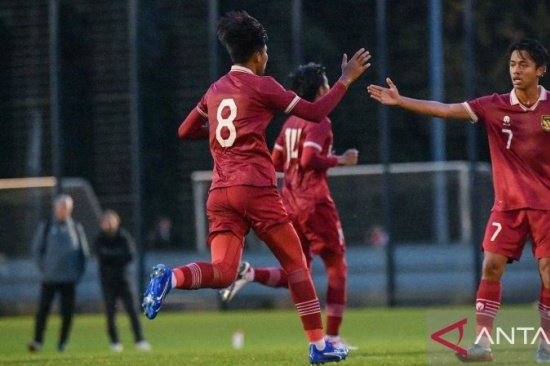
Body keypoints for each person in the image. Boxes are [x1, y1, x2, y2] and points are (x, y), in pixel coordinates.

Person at [367, 38, 550, 363]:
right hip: (507, 206)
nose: (516, 70)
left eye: (523, 64)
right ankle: (482, 344)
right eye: (512, 64)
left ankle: (546, 346)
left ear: (541, 70)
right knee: (490, 266)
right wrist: (402, 101)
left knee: (549, 272)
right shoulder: (493, 105)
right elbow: (445, 110)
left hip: (548, 205)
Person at [141, 10, 370, 364]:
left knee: (223, 273)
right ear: (259, 55)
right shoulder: (264, 86)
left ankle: (172, 277)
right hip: (255, 188)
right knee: (297, 264)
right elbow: (314, 111)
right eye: (267, 53)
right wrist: (345, 80)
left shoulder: (214, 90)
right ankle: (319, 344)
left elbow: (185, 131)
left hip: (220, 193)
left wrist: (220, 134)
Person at [218, 62, 359, 350]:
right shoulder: (320, 121)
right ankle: (331, 337)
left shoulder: (291, 122)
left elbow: (276, 161)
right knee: (337, 268)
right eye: (327, 83)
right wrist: (340, 159)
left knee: (298, 271)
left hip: (290, 204)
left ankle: (250, 273)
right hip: (314, 202)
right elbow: (309, 159)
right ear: (321, 88)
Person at [28, 194, 90, 352]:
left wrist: (78, 273)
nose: (64, 210)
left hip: (69, 279)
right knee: (43, 311)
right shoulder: (47, 226)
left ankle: (62, 343)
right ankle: (37, 341)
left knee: (67, 313)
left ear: (71, 209)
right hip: (49, 278)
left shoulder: (76, 227)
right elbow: (36, 251)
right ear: (55, 208)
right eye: (61, 206)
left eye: (67, 207)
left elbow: (84, 253)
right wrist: (44, 269)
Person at [95, 210, 151, 352]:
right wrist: (117, 257)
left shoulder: (123, 237)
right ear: (102, 224)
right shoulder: (99, 239)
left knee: (133, 311)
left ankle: (139, 340)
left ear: (117, 221)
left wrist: (112, 257)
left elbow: (129, 255)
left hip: (124, 281)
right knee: (110, 313)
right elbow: (102, 257)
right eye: (106, 221)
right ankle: (115, 342)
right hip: (108, 282)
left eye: (112, 220)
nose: (109, 224)